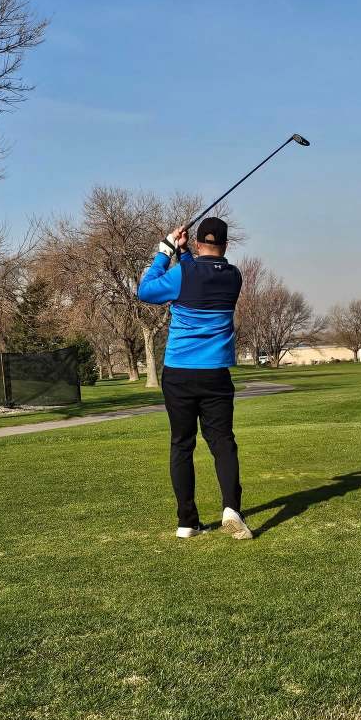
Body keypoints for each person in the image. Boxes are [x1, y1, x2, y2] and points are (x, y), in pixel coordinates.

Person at [137, 217, 253, 540]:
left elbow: (144, 290)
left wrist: (166, 251)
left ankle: (187, 522)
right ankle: (231, 507)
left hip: (179, 373)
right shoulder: (234, 277)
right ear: (226, 246)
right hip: (215, 373)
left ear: (199, 243)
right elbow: (201, 275)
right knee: (222, 442)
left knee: (182, 444)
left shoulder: (182, 274)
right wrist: (185, 254)